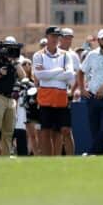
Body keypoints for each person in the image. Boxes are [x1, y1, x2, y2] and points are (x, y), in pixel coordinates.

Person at [32, 26, 75, 156]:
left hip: (61, 97)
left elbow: (70, 75)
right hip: (46, 98)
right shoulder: (38, 55)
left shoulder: (66, 55)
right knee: (46, 132)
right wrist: (59, 70)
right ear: (47, 37)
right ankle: (48, 161)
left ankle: (71, 160)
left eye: (57, 36)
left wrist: (48, 74)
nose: (55, 39)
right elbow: (39, 76)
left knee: (65, 131)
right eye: (53, 36)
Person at [0, 38, 27, 157]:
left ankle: (6, 158)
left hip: (11, 99)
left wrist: (15, 62)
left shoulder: (14, 63)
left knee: (8, 133)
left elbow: (23, 76)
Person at [57, 27, 81, 155]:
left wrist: (74, 90)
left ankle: (70, 158)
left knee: (66, 129)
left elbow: (79, 75)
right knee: (55, 130)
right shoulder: (54, 54)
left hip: (68, 96)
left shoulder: (74, 56)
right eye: (66, 37)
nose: (68, 40)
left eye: (70, 38)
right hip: (55, 94)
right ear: (60, 38)